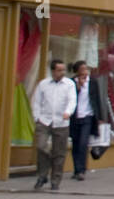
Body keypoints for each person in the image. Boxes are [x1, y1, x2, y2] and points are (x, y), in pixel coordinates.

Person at [32, 59, 75, 190]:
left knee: (59, 152)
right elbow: (36, 102)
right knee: (41, 146)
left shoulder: (69, 84)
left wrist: (68, 112)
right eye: (59, 70)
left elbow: (72, 100)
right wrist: (37, 117)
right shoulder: (43, 84)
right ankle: (42, 175)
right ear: (53, 71)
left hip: (61, 122)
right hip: (44, 120)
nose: (62, 72)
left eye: (63, 70)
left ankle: (55, 180)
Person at [68, 60, 106, 181]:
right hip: (74, 117)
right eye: (83, 69)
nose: (85, 72)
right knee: (75, 144)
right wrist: (79, 87)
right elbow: (70, 99)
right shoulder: (71, 82)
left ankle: (81, 170)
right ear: (77, 71)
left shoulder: (92, 82)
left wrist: (100, 117)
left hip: (88, 116)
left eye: (86, 69)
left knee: (83, 143)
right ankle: (76, 169)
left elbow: (97, 99)